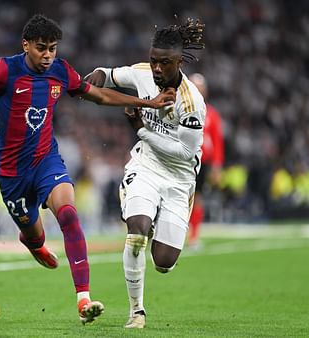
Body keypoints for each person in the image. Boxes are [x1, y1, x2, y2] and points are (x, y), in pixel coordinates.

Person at [0, 14, 175, 324]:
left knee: (68, 214)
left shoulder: (61, 71)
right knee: (35, 237)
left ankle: (84, 300)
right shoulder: (3, 70)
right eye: (41, 48)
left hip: (45, 160)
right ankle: (32, 241)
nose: (48, 55)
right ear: (26, 46)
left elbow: (100, 95)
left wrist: (149, 103)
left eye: (52, 48)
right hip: (10, 173)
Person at [85, 18, 205, 328]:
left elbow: (184, 153)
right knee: (136, 230)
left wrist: (140, 129)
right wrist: (95, 76)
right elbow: (110, 75)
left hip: (179, 180)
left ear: (179, 62)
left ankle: (156, 224)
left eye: (164, 63)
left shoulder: (191, 103)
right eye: (153, 60)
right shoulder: (142, 73)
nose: (156, 68)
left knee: (164, 262)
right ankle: (136, 312)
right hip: (146, 167)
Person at [187, 73, 224, 249]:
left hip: (201, 162)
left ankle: (194, 236)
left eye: (201, 88)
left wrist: (217, 166)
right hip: (182, 159)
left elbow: (217, 142)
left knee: (197, 198)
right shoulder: (180, 108)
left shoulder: (212, 114)